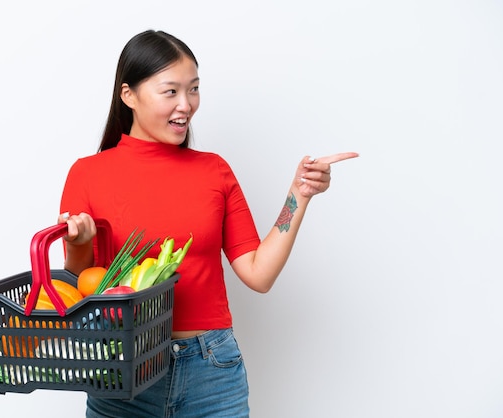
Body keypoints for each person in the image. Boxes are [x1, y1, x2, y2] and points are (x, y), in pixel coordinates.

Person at [58, 29, 358, 418]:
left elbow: (258, 274)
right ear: (128, 95)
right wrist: (78, 244)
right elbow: (78, 288)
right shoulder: (88, 175)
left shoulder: (213, 171)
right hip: (122, 371)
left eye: (194, 89)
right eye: (171, 92)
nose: (186, 105)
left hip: (211, 371)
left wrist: (298, 196)